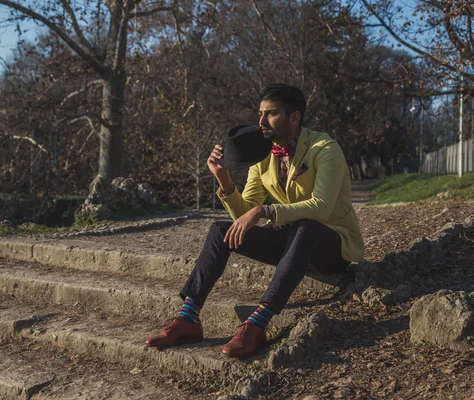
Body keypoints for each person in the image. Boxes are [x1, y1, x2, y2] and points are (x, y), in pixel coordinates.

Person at [144, 83, 364, 359]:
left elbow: (320, 207)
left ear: (294, 118)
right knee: (220, 230)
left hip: (332, 245)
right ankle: (188, 317)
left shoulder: (324, 148)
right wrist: (223, 179)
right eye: (259, 114)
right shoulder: (262, 155)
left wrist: (265, 211)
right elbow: (242, 215)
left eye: (270, 114)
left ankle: (257, 324)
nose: (260, 122)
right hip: (290, 242)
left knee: (305, 227)